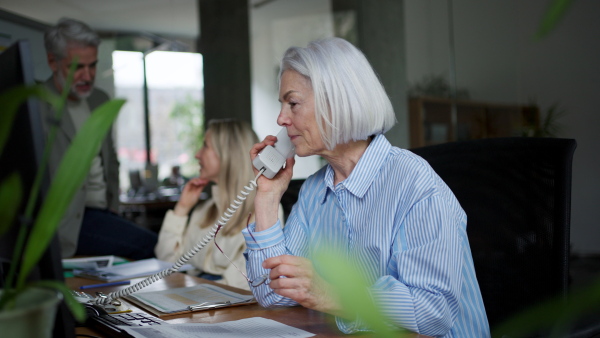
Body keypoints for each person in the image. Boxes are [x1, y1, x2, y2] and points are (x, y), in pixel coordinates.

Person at [243, 37, 491, 337]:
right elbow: (274, 295)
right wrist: (267, 200)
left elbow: (432, 313)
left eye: (292, 103)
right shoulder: (312, 192)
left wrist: (330, 294)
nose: (281, 119)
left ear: (337, 101)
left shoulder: (415, 185)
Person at [40, 18, 157, 259]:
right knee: (152, 246)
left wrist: (113, 202)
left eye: (92, 65)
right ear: (53, 62)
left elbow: (109, 157)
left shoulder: (99, 99)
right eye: (77, 67)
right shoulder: (36, 104)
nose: (87, 75)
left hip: (103, 211)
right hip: (66, 220)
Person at [155, 119, 280, 290]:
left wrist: (192, 291)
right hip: (196, 292)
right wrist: (182, 209)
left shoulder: (265, 210)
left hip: (223, 300)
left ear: (228, 153)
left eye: (205, 146)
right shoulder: (203, 210)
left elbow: (245, 281)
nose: (197, 154)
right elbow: (166, 260)